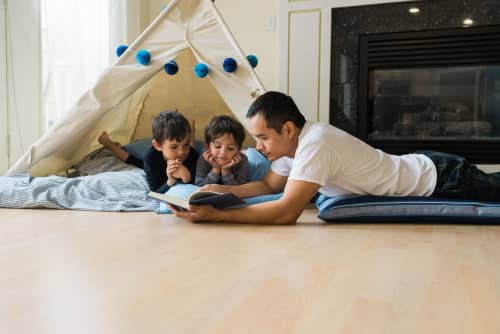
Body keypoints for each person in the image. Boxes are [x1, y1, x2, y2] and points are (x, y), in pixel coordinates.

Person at [171, 91, 500, 224]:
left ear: (287, 129)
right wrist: (223, 193)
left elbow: (286, 212)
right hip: (425, 163)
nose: (258, 147)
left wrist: (220, 216)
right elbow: (268, 184)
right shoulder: (293, 145)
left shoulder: (316, 144)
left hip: (442, 179)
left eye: (262, 138)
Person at [98, 111, 199, 193]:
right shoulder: (151, 158)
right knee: (135, 161)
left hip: (188, 155)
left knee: (191, 149)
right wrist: (170, 181)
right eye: (174, 147)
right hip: (154, 162)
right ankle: (109, 144)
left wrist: (188, 177)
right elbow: (156, 192)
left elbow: (200, 181)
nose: (181, 152)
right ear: (158, 146)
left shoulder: (192, 154)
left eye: (185, 145)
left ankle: (190, 133)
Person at [195, 115, 249, 186]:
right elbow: (199, 185)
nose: (223, 152)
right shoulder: (203, 159)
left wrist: (226, 171)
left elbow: (240, 188)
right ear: (208, 147)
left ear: (238, 150)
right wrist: (215, 169)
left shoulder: (242, 161)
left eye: (230, 148)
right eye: (218, 146)